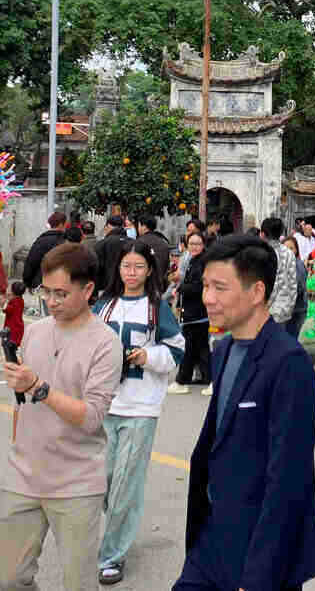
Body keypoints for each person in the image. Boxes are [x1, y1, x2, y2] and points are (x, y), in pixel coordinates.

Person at [172, 234, 315, 590]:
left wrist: (258, 577)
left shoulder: (288, 362)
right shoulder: (224, 350)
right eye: (206, 285)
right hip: (214, 536)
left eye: (220, 287)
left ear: (257, 292)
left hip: (259, 546)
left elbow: (288, 479)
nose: (207, 298)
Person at [0, 242, 120, 591]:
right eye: (46, 291)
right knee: (10, 577)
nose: (51, 301)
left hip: (76, 481)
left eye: (61, 293)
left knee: (78, 583)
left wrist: (38, 386)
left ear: (88, 290)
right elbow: (22, 404)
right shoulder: (36, 331)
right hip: (23, 474)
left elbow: (92, 417)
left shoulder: (106, 343)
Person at [91, 240, 184, 584]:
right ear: (117, 269)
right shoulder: (103, 305)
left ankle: (112, 555)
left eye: (139, 267)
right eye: (126, 266)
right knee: (102, 482)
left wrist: (148, 357)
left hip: (140, 407)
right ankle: (118, 528)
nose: (131, 273)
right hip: (103, 405)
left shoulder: (157, 308)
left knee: (125, 486)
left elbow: (176, 350)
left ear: (149, 271)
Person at [170, 231, 211, 395]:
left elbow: (199, 286)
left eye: (198, 244)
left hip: (197, 313)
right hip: (193, 312)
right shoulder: (194, 260)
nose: (194, 247)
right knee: (196, 349)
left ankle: (183, 380)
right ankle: (189, 379)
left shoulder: (202, 262)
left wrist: (181, 288)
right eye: (191, 244)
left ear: (203, 245)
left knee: (195, 348)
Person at [257, 217, 298, 328]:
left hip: (263, 312)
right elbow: (293, 284)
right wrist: (289, 307)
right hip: (283, 311)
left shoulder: (260, 254)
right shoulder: (289, 253)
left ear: (262, 234)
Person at [22, 211, 67, 292]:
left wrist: (27, 282)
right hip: (63, 286)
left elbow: (32, 262)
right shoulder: (67, 241)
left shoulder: (41, 241)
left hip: (43, 284)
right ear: (61, 224)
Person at [281, 234, 309, 341]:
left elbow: (298, 287)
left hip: (296, 310)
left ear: (296, 250)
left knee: (290, 339)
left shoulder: (298, 265)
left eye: (291, 248)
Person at [135, 213, 172, 288]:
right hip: (160, 285)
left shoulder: (139, 242)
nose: (137, 228)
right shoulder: (163, 242)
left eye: (138, 225)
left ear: (144, 226)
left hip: (144, 285)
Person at [4, 280, 26, 348]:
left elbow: (5, 310)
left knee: (8, 347)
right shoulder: (21, 300)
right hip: (18, 326)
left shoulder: (13, 302)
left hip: (11, 328)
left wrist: (6, 301)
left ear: (12, 292)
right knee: (14, 346)